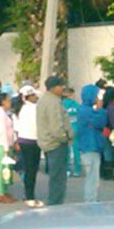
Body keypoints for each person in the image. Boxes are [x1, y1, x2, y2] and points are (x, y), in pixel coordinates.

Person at [36, 76, 73, 206]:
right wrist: (65, 137)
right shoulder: (53, 102)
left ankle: (54, 203)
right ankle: (55, 205)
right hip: (56, 144)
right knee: (58, 178)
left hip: (48, 143)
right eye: (60, 85)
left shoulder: (43, 100)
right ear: (54, 87)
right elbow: (56, 127)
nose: (63, 88)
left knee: (55, 176)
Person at [76, 84, 109, 202]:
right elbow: (101, 122)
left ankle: (91, 199)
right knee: (92, 177)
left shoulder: (84, 109)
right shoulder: (86, 111)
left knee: (93, 176)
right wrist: (100, 108)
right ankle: (90, 200)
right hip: (90, 147)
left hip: (90, 147)